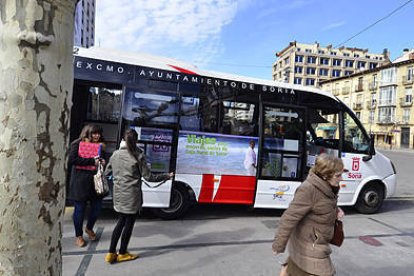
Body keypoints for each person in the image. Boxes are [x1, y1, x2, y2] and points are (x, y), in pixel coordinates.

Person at [104, 129, 174, 264]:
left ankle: (111, 253)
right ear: (136, 141)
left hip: (118, 195)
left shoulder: (115, 154)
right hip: (132, 196)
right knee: (128, 225)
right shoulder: (138, 155)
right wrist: (167, 176)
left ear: (123, 140)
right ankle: (122, 253)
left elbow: (107, 172)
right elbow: (149, 177)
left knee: (120, 223)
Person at [272, 153, 346, 276]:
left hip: (315, 243)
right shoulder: (308, 189)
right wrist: (278, 245)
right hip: (312, 246)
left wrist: (336, 210)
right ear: (325, 176)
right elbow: (289, 218)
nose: (341, 178)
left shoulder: (329, 187)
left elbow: (321, 205)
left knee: (291, 267)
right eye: (338, 175)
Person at [68, 124, 106, 247]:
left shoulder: (101, 145)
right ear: (87, 133)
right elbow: (72, 160)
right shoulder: (77, 144)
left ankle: (89, 228)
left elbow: (104, 158)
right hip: (80, 182)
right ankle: (78, 236)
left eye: (98, 133)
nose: (97, 136)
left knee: (97, 208)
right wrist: (91, 161)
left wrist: (103, 161)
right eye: (94, 133)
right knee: (79, 209)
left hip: (95, 182)